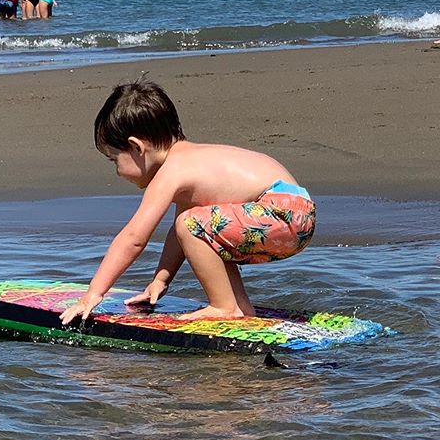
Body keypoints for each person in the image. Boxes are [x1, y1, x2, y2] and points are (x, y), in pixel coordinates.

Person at [60, 79, 316, 325]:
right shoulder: (191, 163)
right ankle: (239, 307)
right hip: (295, 212)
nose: (117, 171)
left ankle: (224, 307)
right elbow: (181, 236)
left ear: (137, 147)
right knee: (199, 228)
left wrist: (94, 292)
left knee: (191, 224)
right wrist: (161, 280)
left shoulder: (173, 170)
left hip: (280, 213)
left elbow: (134, 238)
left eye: (115, 160)